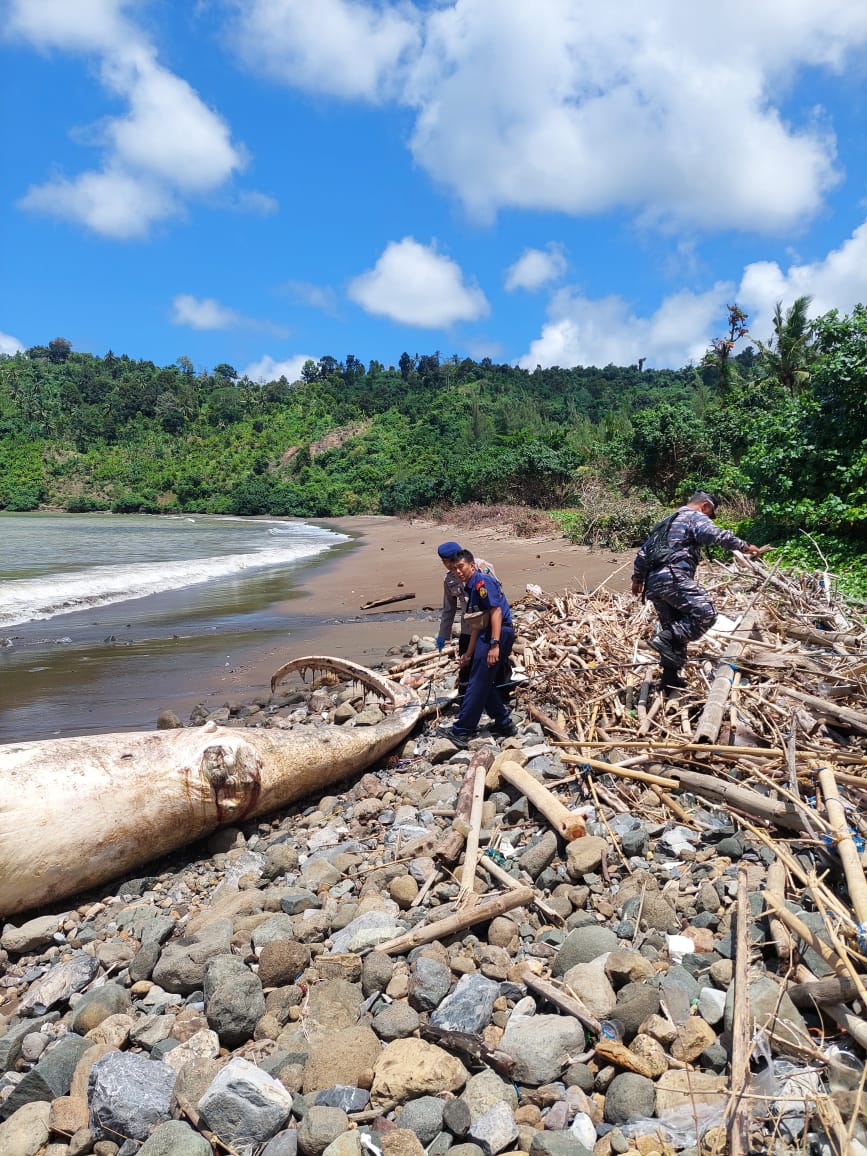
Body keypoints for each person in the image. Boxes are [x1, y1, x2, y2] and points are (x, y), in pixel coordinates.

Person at [631, 491, 770, 686]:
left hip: (654, 584)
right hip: (674, 576)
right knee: (706, 613)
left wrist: (637, 580)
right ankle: (664, 638)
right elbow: (713, 534)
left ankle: (669, 680)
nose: (708, 517)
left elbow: (642, 554)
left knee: (676, 633)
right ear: (705, 506)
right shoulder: (694, 516)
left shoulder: (664, 523)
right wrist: (744, 546)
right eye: (709, 513)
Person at [437, 549, 516, 747]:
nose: (458, 571)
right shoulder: (470, 588)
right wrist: (468, 654)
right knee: (483, 681)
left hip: (497, 633)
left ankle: (463, 729)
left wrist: (495, 645)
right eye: (454, 568)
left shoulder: (482, 582)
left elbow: (496, 612)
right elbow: (476, 625)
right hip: (485, 633)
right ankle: (504, 723)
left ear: (472, 565)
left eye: (461, 567)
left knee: (477, 682)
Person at [435, 541, 499, 698]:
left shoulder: (480, 567)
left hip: (489, 622)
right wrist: (444, 635)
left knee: (495, 659)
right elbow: (449, 609)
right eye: (445, 562)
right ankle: (465, 695)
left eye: (450, 561)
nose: (449, 566)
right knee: (465, 660)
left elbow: (495, 595)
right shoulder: (449, 579)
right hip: (469, 625)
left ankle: (501, 691)